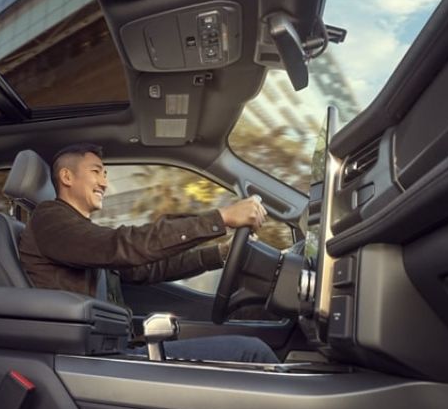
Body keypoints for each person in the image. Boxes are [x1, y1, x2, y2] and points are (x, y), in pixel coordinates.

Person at [18, 143, 278, 363]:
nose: (105, 183)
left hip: (111, 351)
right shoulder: (49, 219)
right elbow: (124, 245)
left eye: (106, 174)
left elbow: (148, 269)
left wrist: (220, 253)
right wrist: (221, 218)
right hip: (89, 360)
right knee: (251, 353)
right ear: (66, 177)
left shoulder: (79, 232)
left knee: (249, 350)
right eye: (96, 172)